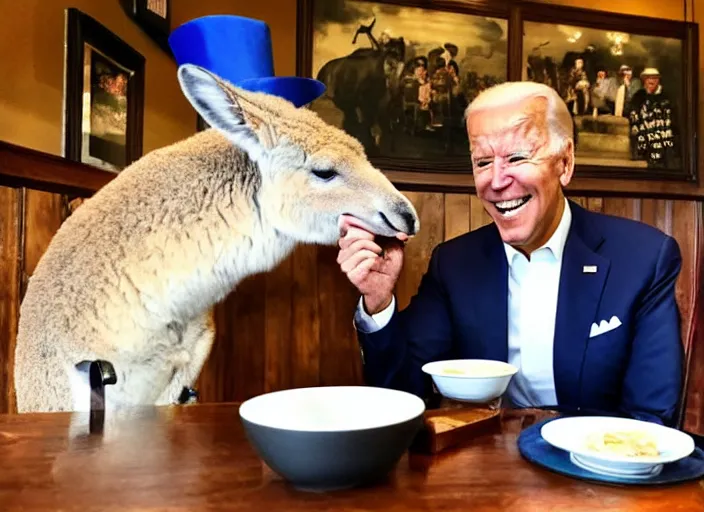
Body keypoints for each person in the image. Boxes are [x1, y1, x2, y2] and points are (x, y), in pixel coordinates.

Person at [336, 81, 684, 426]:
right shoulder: (455, 264)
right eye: (482, 162)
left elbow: (651, 419)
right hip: (484, 466)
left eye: (517, 157)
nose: (497, 181)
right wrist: (379, 303)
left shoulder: (643, 259)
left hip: (594, 470)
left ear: (564, 163)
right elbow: (405, 394)